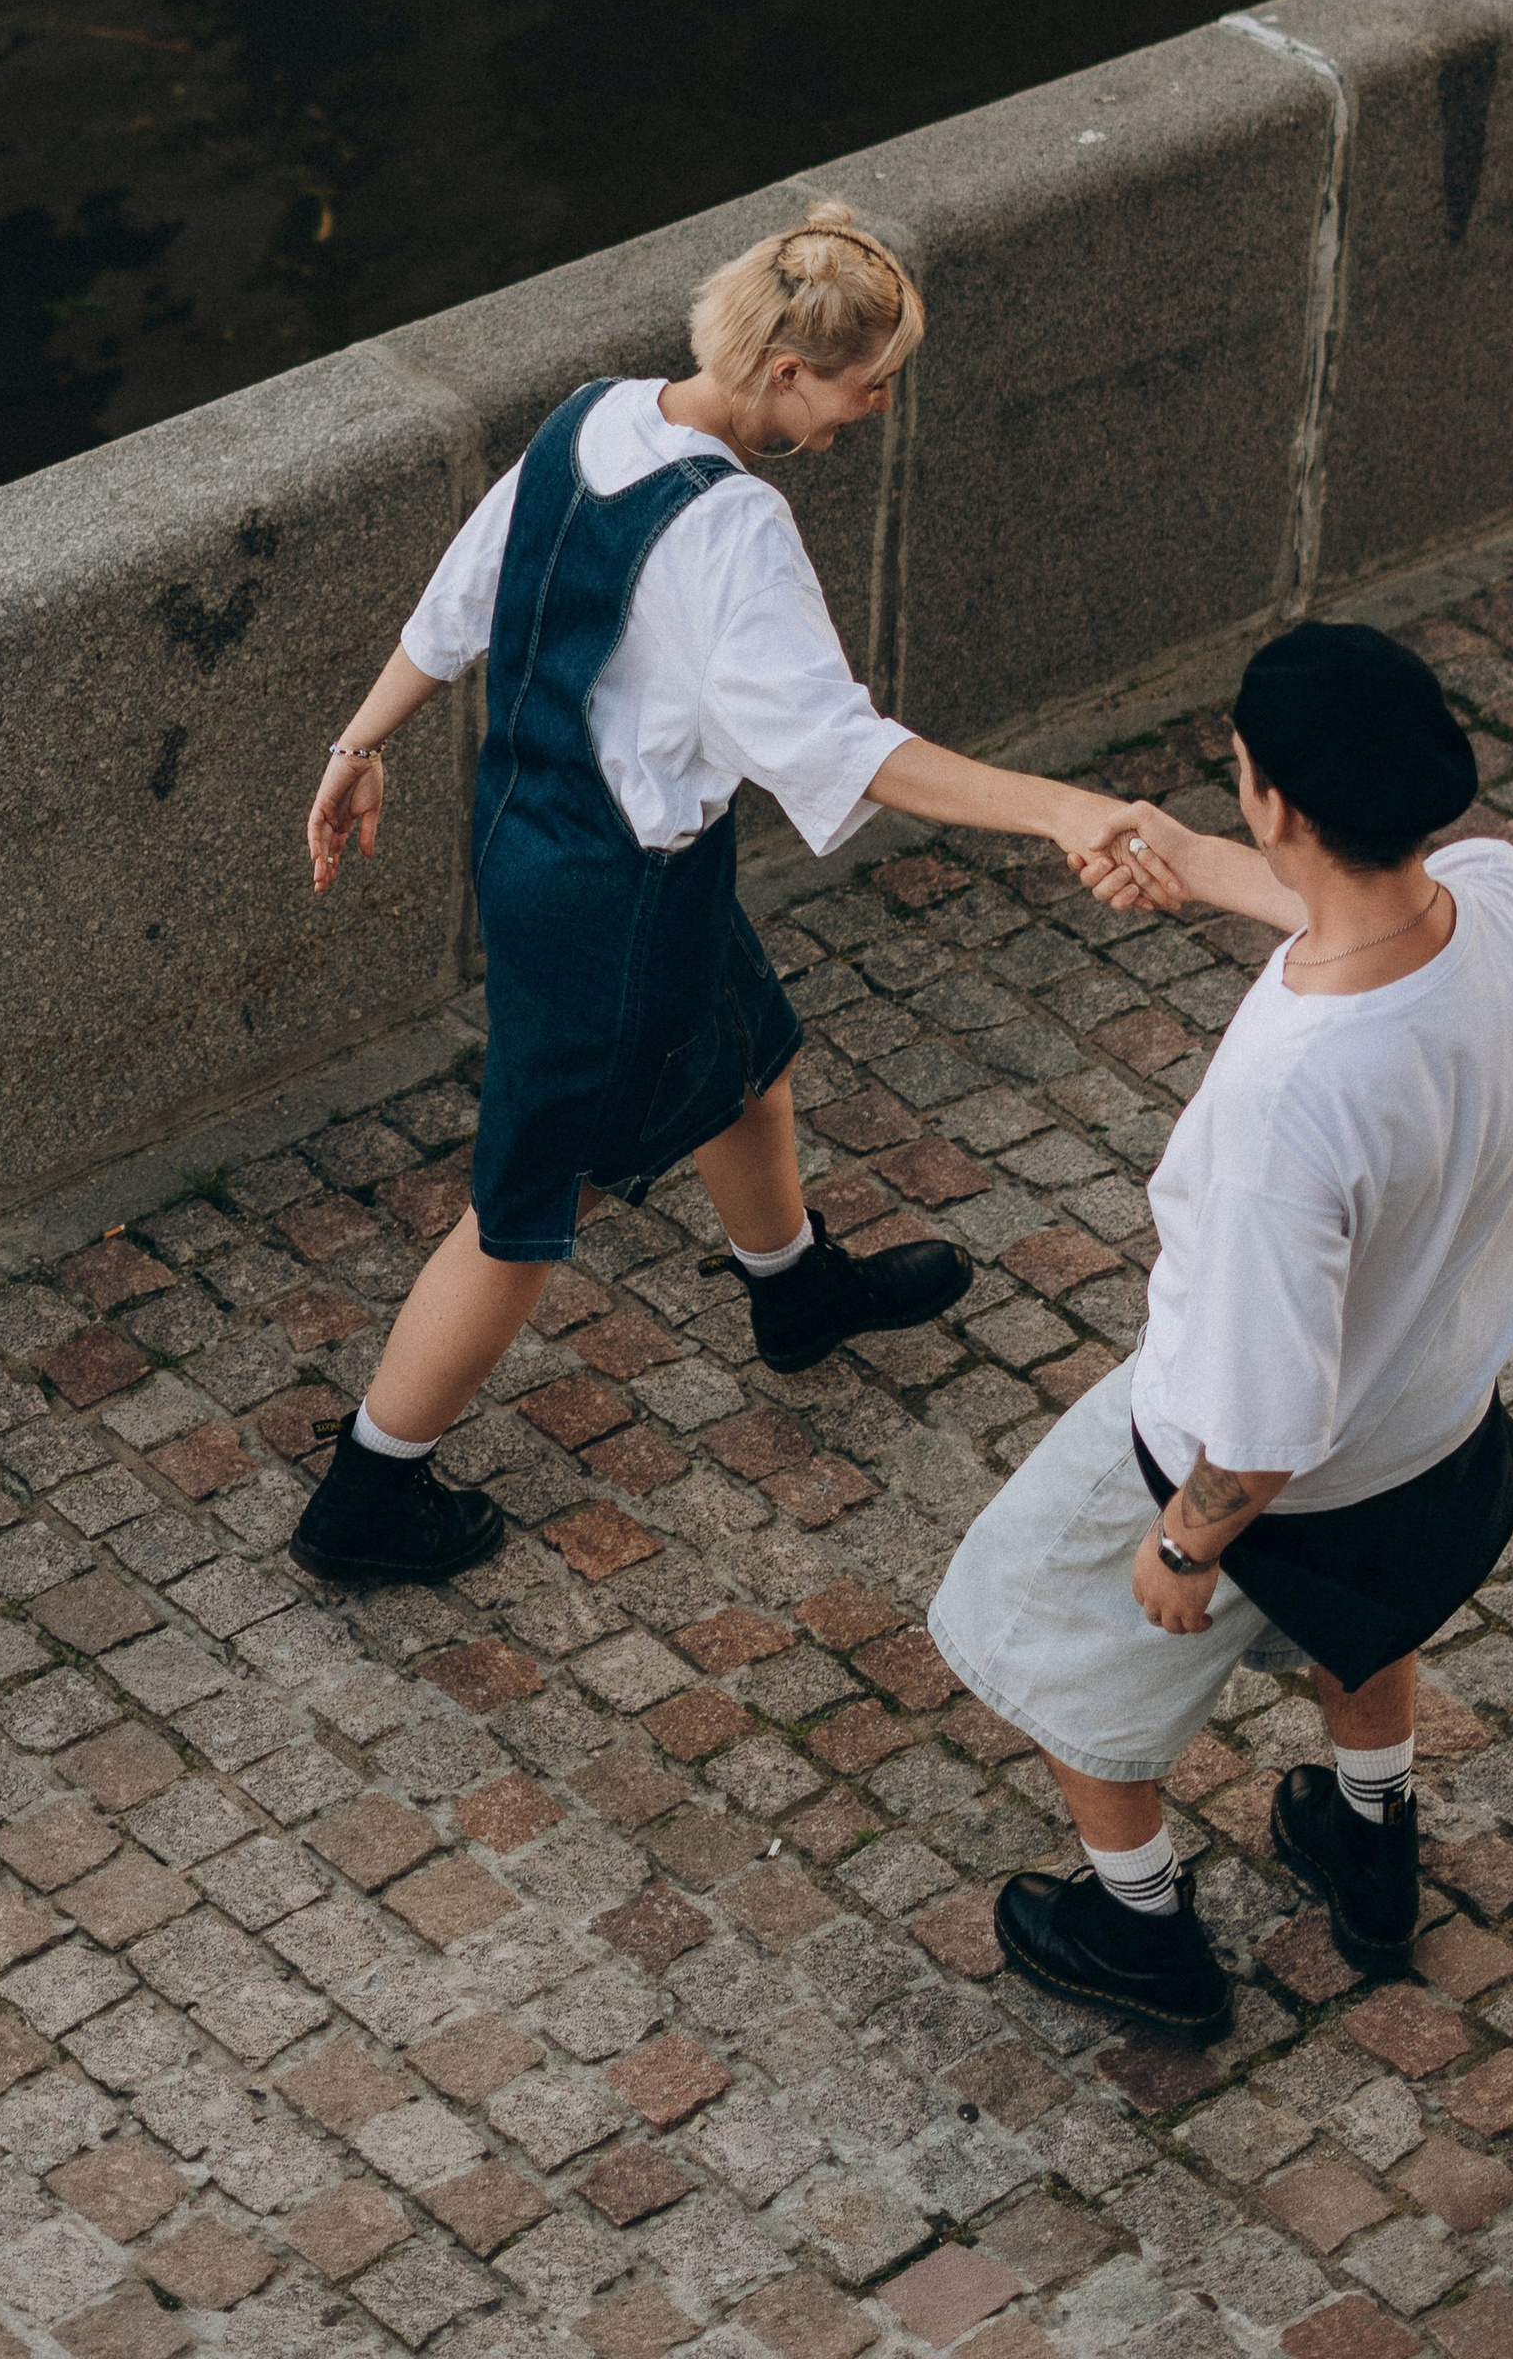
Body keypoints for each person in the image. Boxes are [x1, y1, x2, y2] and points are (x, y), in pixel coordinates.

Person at [288, 202, 1145, 1589]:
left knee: (745, 1054)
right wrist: (1060, 807)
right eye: (873, 379)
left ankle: (795, 1292)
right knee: (522, 1204)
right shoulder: (732, 529)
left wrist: (362, 740)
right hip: (616, 893)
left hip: (541, 835)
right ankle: (364, 1496)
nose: (877, 403)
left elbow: (467, 595)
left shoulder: (598, 415)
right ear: (792, 376)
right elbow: (838, 745)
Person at [928, 620, 1513, 2037]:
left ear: (1275, 800)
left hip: (1249, 1463)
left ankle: (1139, 1928)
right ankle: (1370, 1836)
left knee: (1039, 1636)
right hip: (1430, 1423)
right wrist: (1179, 853)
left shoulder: (1295, 1093)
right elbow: (1350, 910)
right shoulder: (1507, 901)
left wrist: (1183, 1543)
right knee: (1366, 1618)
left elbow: (1267, 1415)